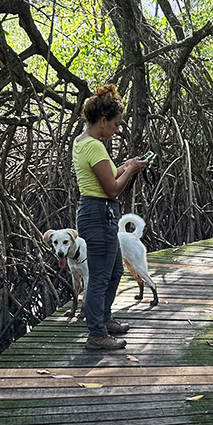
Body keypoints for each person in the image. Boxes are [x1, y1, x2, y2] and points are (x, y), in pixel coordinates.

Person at [73, 84, 149, 350]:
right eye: (115, 125)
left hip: (95, 211)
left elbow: (104, 176)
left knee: (114, 269)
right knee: (99, 276)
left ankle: (104, 320)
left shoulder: (82, 141)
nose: (116, 130)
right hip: (99, 213)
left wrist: (125, 166)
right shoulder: (95, 146)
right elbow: (113, 189)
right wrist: (131, 171)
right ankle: (96, 334)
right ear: (103, 121)